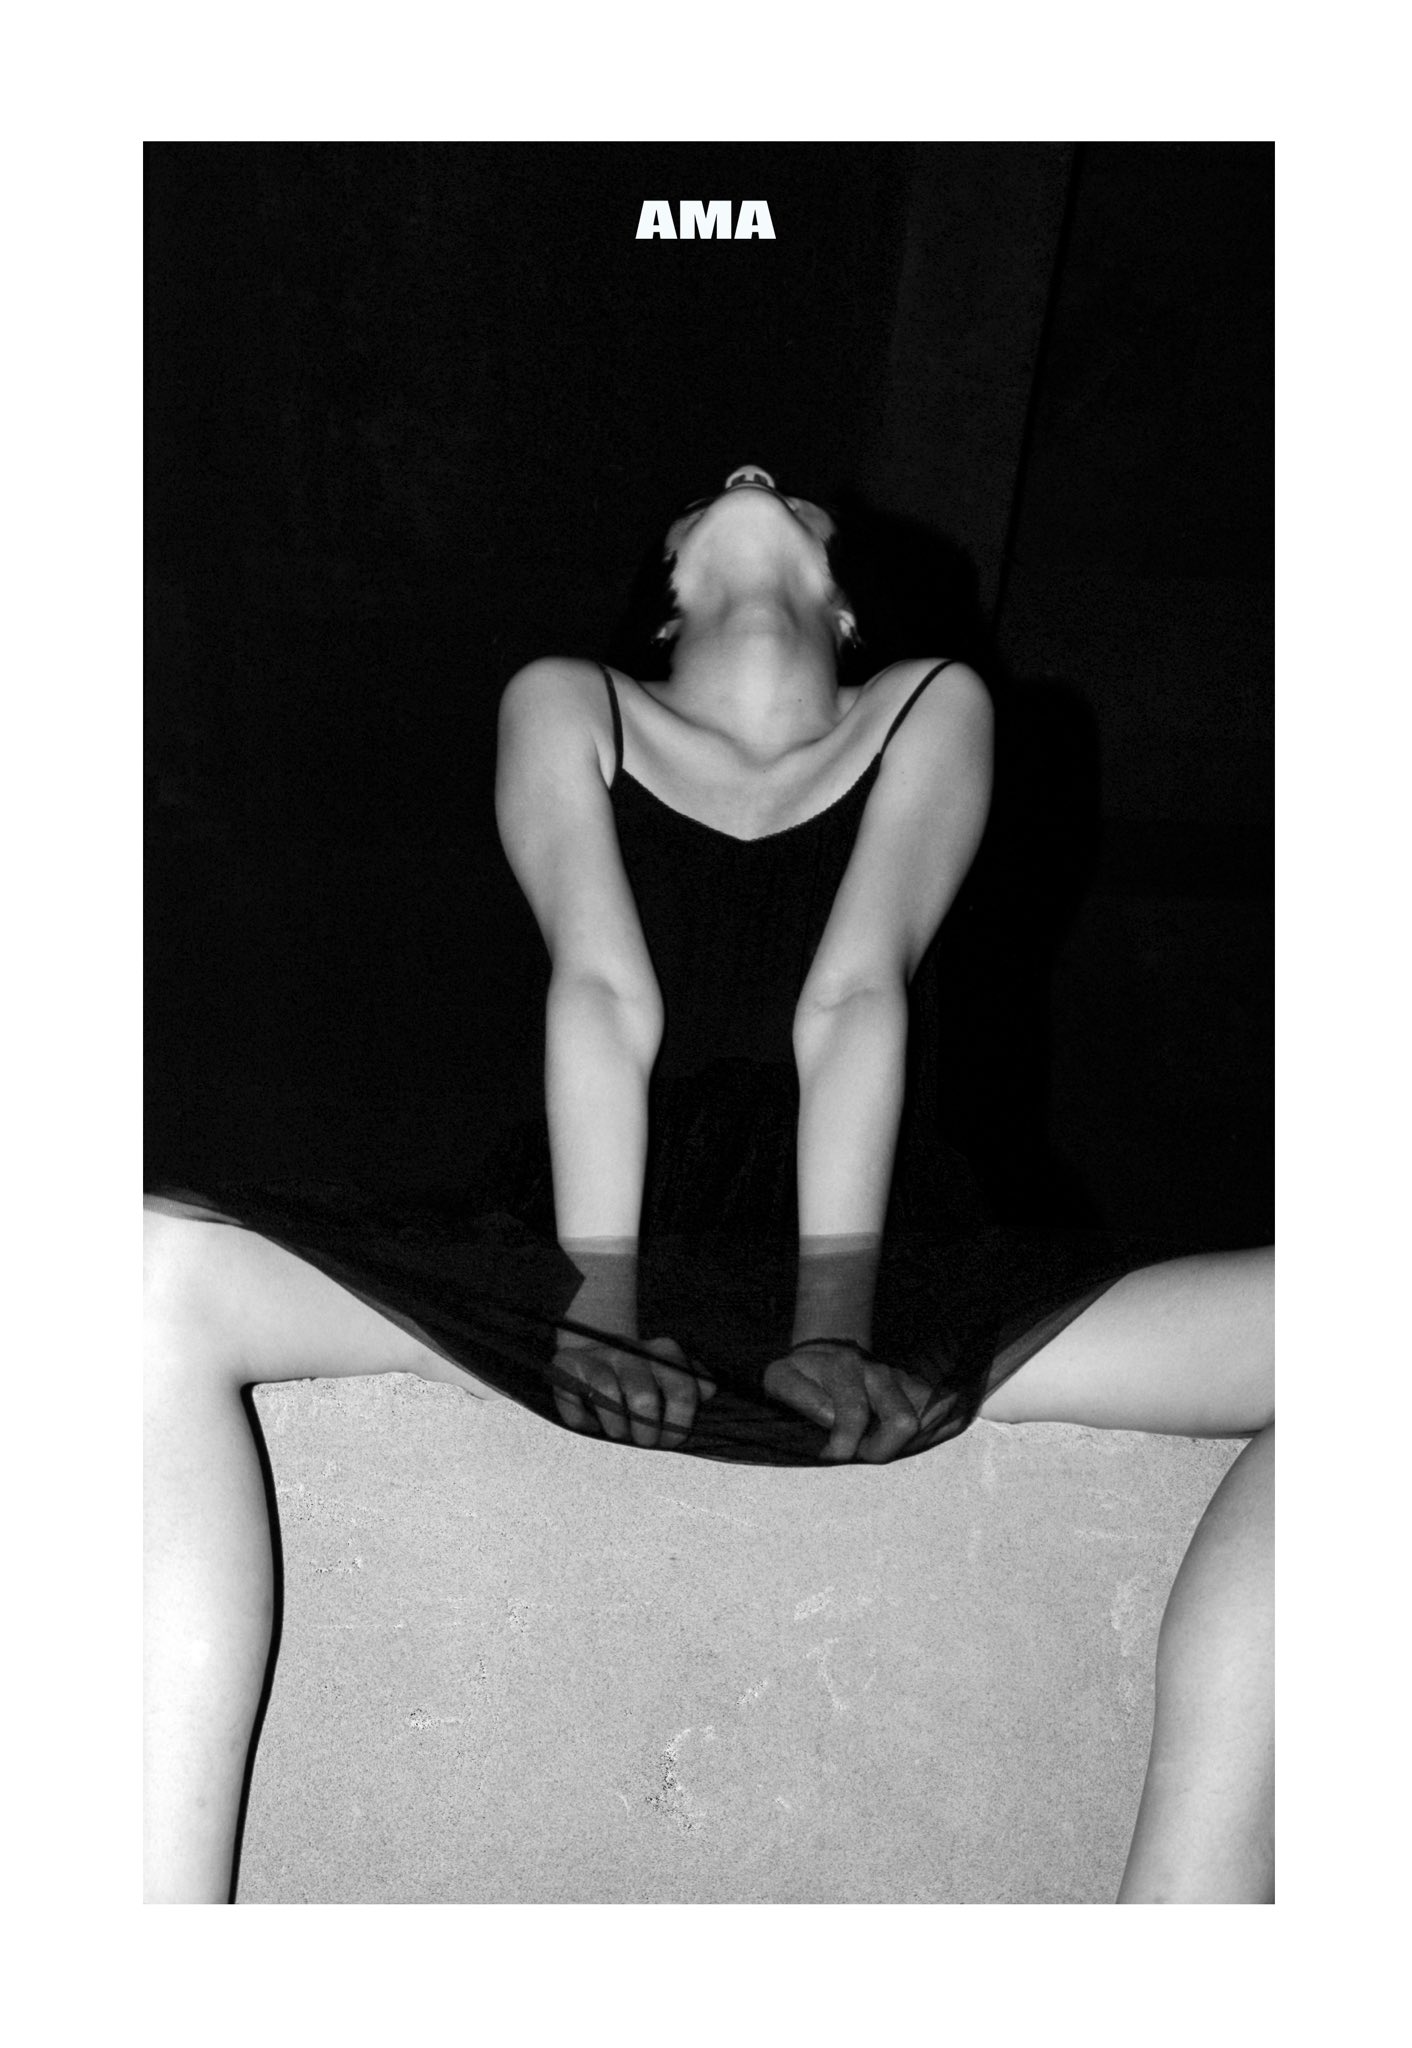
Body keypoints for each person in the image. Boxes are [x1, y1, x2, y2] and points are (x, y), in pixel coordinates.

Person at [145, 464, 1273, 1904]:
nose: (750, 473)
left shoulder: (928, 702)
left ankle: (1189, 1945)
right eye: (711, 493)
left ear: (844, 605)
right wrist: (595, 1298)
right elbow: (602, 993)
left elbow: (855, 999)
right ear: (669, 594)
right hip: (594, 1242)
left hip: (870, 1260)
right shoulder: (571, 698)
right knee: (143, 1266)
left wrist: (837, 1322)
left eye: (788, 494)